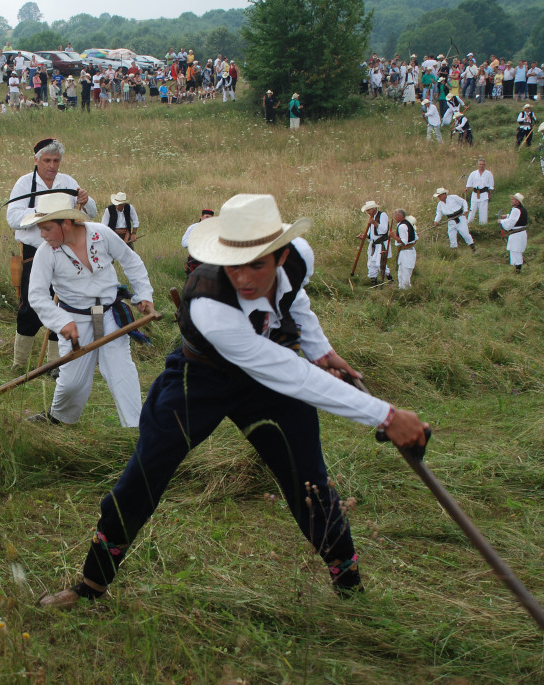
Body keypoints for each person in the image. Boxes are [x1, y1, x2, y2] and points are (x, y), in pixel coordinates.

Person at [36, 194, 429, 609]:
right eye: (233, 263)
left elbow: (296, 302)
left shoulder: (299, 259)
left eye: (257, 264)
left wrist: (321, 350)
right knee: (144, 473)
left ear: (280, 254)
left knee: (308, 479)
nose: (243, 277)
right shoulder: (209, 302)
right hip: (200, 376)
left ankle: (349, 585)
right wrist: (385, 416)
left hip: (268, 377)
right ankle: (91, 585)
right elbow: (289, 373)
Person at [22, 193, 155, 427]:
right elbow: (36, 295)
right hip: (75, 319)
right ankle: (58, 417)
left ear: (66, 223)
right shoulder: (45, 252)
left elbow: (130, 259)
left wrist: (144, 294)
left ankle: (138, 427)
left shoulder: (100, 234)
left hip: (109, 314)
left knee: (120, 369)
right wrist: (61, 322)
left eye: (46, 228)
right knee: (72, 381)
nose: (41, 234)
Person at [5, 138, 98, 370]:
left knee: (63, 306)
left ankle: (55, 366)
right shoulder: (25, 184)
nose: (52, 165)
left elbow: (91, 212)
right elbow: (13, 217)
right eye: (47, 160)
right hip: (33, 254)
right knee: (31, 306)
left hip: (65, 254)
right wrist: (42, 213)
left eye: (56, 160)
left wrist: (85, 201)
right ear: (36, 160)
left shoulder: (67, 182)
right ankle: (20, 364)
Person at [359, 200, 392, 285]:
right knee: (371, 264)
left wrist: (374, 223)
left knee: (379, 263)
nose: (367, 212)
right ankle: (374, 283)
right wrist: (365, 236)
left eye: (368, 210)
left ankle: (390, 279)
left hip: (381, 244)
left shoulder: (382, 215)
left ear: (373, 209)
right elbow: (371, 234)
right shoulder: (372, 217)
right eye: (367, 210)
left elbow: (384, 230)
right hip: (374, 244)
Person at [499, 193, 529, 273]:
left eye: (513, 199)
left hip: (517, 235)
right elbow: (515, 217)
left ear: (517, 202)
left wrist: (501, 221)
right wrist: (507, 216)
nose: (511, 201)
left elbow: (510, 223)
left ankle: (517, 272)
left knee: (516, 252)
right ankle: (517, 271)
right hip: (520, 234)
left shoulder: (516, 210)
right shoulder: (521, 209)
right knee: (516, 252)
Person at [181, 208, 214, 275]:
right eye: (206, 217)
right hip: (195, 259)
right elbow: (184, 242)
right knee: (192, 281)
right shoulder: (193, 228)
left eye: (210, 218)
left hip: (210, 259)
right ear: (201, 216)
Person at [393, 210, 418, 289]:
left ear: (400, 216)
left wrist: (393, 236)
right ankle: (403, 288)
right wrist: (411, 244)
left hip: (406, 252)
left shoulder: (402, 226)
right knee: (403, 271)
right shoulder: (408, 225)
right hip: (409, 251)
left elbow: (404, 242)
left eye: (396, 216)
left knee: (405, 272)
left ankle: (405, 290)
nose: (395, 217)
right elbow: (416, 238)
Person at [465, 159, 494, 225]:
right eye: (480, 164)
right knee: (472, 209)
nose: (481, 166)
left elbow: (491, 185)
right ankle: (469, 223)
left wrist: (490, 193)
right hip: (475, 194)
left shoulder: (489, 174)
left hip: (484, 194)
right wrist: (467, 189)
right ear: (478, 165)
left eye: (483, 164)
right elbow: (469, 183)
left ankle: (483, 224)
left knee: (483, 210)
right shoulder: (473, 173)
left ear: (485, 165)